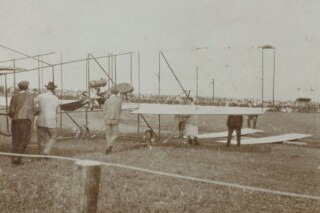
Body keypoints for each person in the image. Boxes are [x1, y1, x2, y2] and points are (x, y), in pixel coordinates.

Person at [8, 81, 36, 165]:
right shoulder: (30, 97)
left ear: (19, 88)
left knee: (15, 139)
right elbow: (35, 108)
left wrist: (12, 115)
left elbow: (12, 111)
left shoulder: (14, 96)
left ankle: (13, 158)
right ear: (27, 88)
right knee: (24, 139)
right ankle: (17, 158)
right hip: (25, 121)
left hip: (15, 120)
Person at [34, 81, 60, 155]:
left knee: (41, 138)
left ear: (47, 89)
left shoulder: (40, 96)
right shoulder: (56, 98)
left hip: (41, 120)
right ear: (54, 90)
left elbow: (33, 102)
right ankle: (47, 150)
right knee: (53, 136)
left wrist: (37, 109)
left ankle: (41, 152)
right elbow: (58, 111)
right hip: (51, 121)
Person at [103, 87, 121, 154]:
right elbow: (119, 110)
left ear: (111, 92)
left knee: (108, 134)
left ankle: (109, 149)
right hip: (115, 119)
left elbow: (104, 110)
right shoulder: (118, 101)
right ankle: (108, 147)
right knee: (115, 134)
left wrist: (106, 117)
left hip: (107, 119)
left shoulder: (107, 101)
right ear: (117, 93)